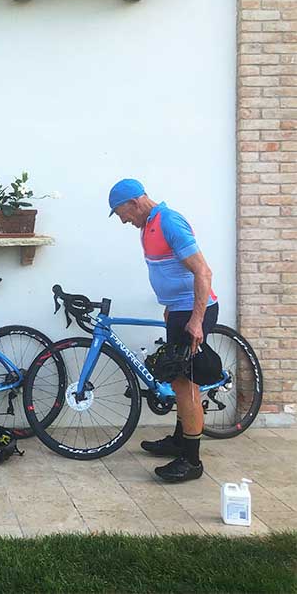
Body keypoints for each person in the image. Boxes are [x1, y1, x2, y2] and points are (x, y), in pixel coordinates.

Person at [109, 178, 218, 482]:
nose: (123, 220)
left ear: (135, 202)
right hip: (179, 310)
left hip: (193, 311)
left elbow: (202, 271)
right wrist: (170, 306)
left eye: (122, 213)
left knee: (186, 384)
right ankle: (179, 440)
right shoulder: (148, 226)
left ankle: (192, 461)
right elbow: (169, 269)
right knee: (176, 378)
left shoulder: (168, 221)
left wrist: (196, 319)